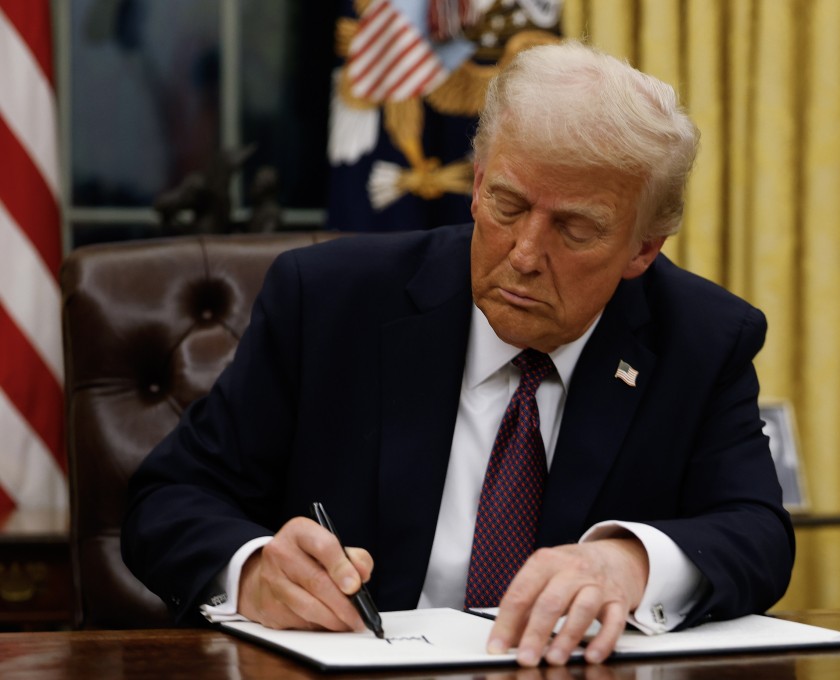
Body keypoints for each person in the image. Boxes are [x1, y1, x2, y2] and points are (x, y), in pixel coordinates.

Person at [122, 41, 794, 667]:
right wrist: (256, 569)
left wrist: (630, 565)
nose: (526, 255)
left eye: (575, 228)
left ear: (643, 249)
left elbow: (757, 533)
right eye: (507, 205)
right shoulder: (330, 303)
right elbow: (169, 499)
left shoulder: (701, 339)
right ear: (475, 186)